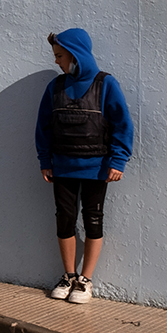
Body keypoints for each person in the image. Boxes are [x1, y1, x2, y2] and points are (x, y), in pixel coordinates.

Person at [34, 28, 133, 304]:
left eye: (60, 56)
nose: (56, 62)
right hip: (62, 166)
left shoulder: (106, 84)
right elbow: (43, 126)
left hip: (97, 168)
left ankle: (85, 280)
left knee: (93, 221)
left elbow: (122, 124)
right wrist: (45, 159)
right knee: (64, 219)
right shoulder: (55, 87)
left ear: (75, 54)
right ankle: (68, 275)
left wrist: (118, 159)